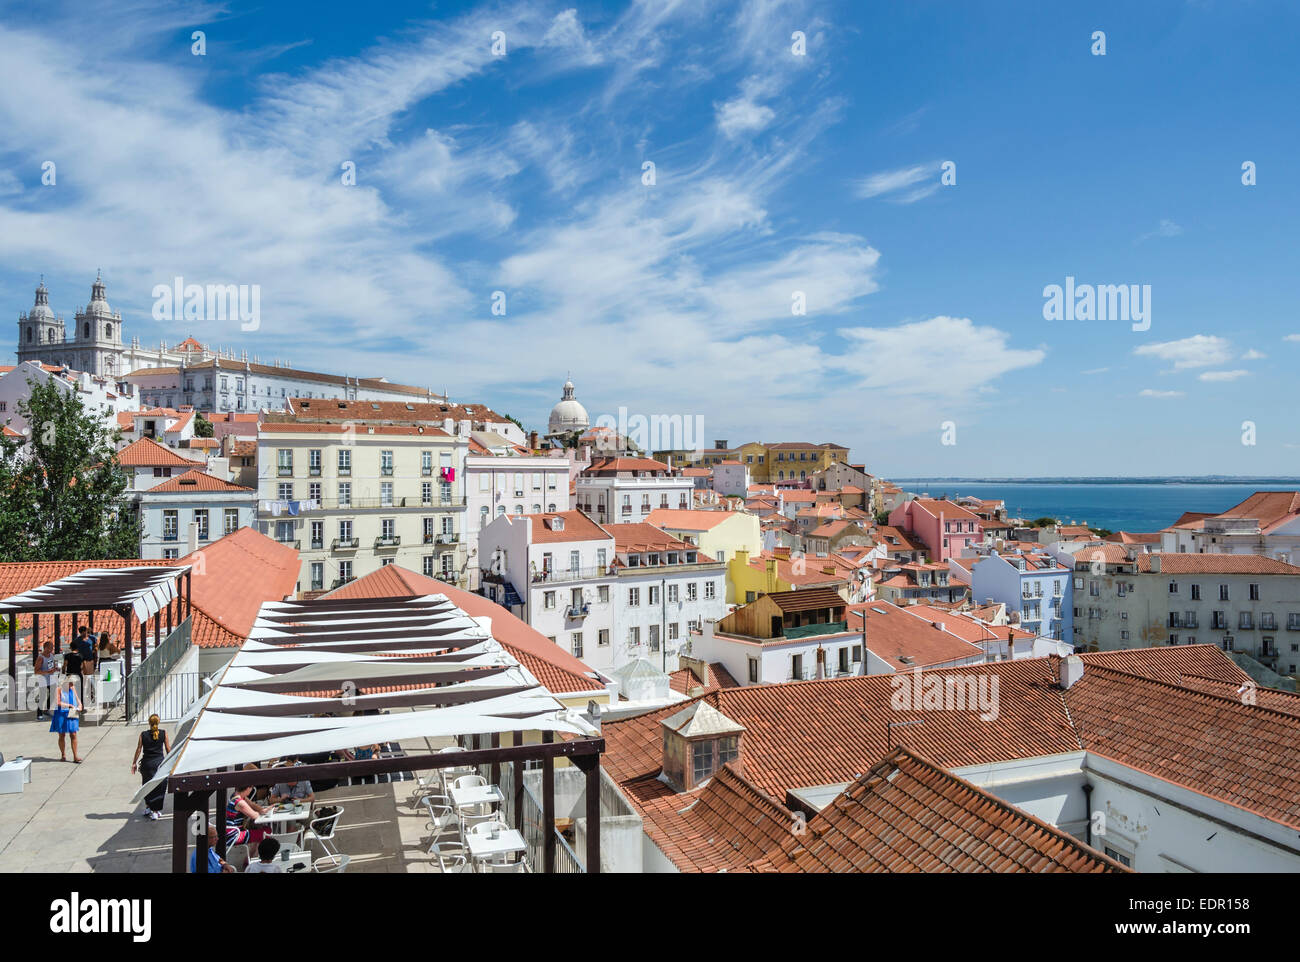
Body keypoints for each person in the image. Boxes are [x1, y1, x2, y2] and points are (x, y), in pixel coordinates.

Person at [131, 714, 171, 820]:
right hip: (159, 764)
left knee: (147, 786)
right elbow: (168, 748)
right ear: (158, 722)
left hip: (147, 764)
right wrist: (172, 762)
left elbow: (138, 749)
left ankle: (148, 807)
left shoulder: (143, 734)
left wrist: (134, 763)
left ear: (149, 722)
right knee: (159, 787)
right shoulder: (163, 733)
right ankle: (155, 811)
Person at [50, 677, 83, 763]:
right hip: (61, 713)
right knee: (62, 735)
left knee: (73, 734)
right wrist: (69, 705)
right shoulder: (58, 689)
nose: (72, 685)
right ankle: (63, 754)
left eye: (73, 683)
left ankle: (75, 756)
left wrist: (80, 705)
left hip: (71, 713)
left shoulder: (72, 688)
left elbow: (77, 698)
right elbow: (58, 702)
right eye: (71, 683)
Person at [33, 642, 58, 720]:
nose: (51, 649)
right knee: (43, 697)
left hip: (51, 678)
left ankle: (46, 709)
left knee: (53, 694)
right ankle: (39, 714)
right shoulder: (41, 657)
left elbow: (52, 665)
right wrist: (47, 672)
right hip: (43, 679)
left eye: (52, 647)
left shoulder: (51, 655)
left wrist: (55, 668)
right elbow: (36, 671)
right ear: (45, 648)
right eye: (50, 648)